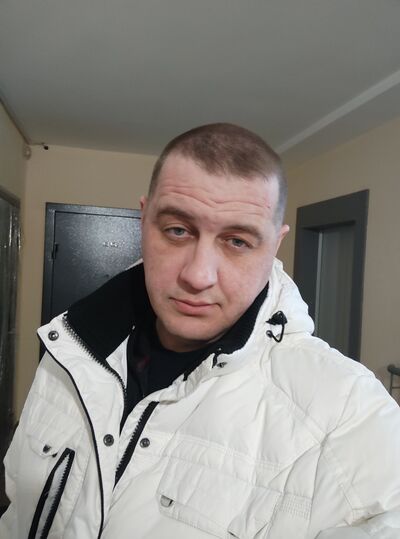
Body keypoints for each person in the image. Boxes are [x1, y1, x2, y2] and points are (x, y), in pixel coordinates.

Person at [1, 123, 399, 539]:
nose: (197, 275)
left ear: (275, 245)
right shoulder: (72, 349)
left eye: (237, 241)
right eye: (177, 230)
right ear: (144, 220)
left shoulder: (345, 410)